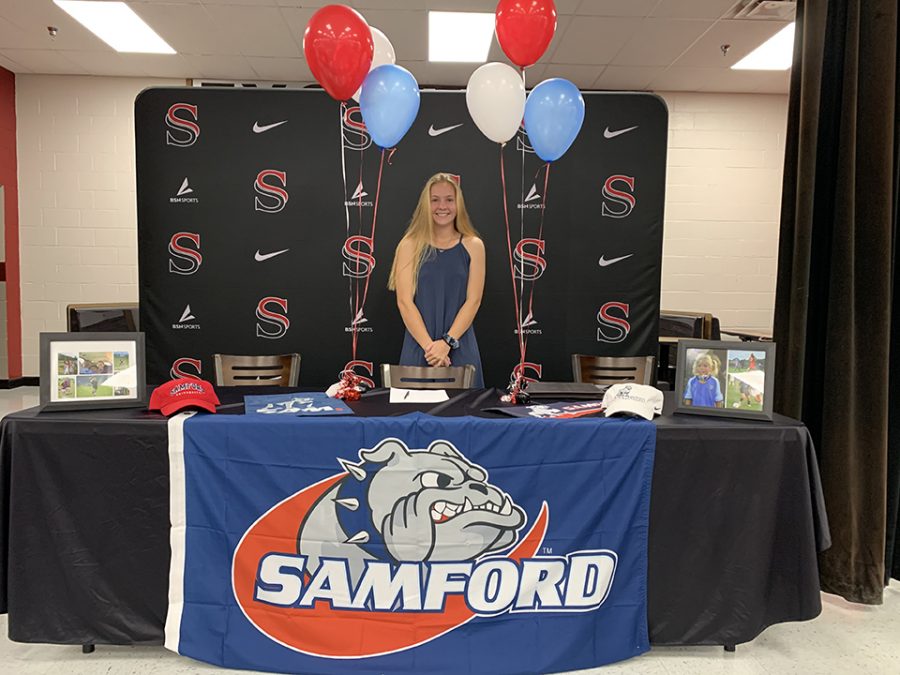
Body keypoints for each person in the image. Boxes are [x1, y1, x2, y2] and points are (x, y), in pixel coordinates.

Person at [388, 173, 485, 387]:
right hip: (420, 348)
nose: (443, 206)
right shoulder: (409, 245)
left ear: (458, 204)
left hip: (459, 348)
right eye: (435, 200)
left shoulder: (474, 246)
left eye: (449, 199)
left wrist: (447, 343)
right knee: (415, 417)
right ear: (426, 204)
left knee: (466, 416)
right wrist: (431, 349)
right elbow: (404, 301)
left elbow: (473, 301)